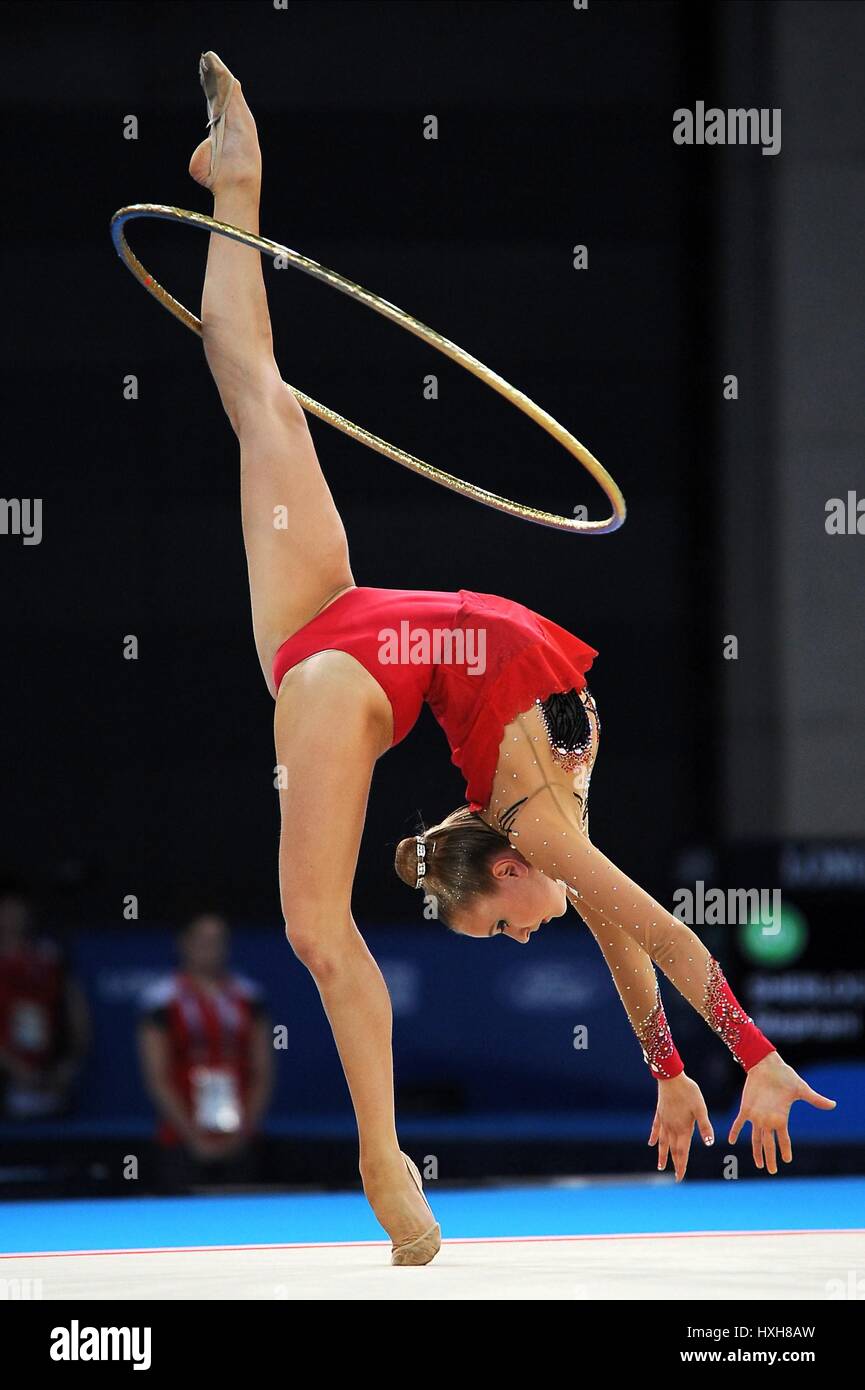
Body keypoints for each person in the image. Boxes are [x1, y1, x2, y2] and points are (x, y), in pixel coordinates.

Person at [184, 52, 835, 1264]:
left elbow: (620, 928)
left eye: (497, 930)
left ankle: (237, 191)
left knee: (264, 398)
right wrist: (737, 1059)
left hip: (347, 644)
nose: (518, 935)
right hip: (342, 645)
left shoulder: (540, 819)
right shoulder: (545, 824)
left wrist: (689, 1066)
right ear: (500, 868)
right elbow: (662, 934)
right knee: (257, 394)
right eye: (499, 932)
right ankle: (238, 183)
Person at [137, 911, 273, 1190]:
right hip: (180, 1138)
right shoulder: (161, 1001)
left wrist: (244, 1131)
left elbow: (263, 1072)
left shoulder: (250, 998)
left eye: (218, 940)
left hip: (241, 1137)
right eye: (202, 940)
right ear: (183, 943)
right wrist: (192, 1136)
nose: (211, 948)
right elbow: (157, 1076)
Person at [0, 879, 90, 1119]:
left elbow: (75, 1011)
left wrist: (69, 1063)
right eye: (6, 911)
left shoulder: (49, 957)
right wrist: (11, 1065)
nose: (13, 918)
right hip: (9, 1075)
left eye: (18, 910)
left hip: (50, 1074)